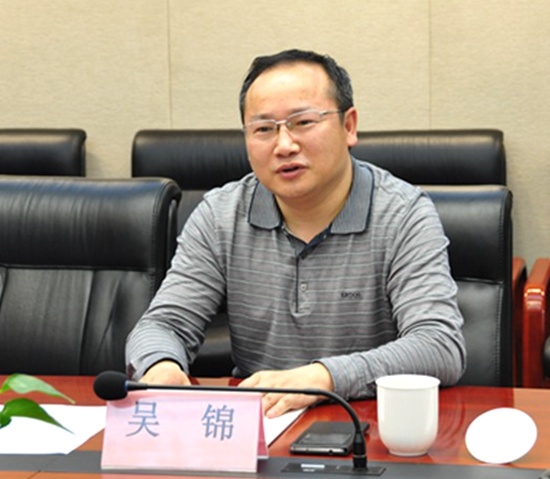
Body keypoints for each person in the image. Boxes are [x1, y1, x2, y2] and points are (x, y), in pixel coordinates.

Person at [126, 49, 466, 418]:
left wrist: (322, 378)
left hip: (366, 426)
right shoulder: (220, 215)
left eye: (303, 122)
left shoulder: (403, 213)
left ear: (349, 126)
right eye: (263, 129)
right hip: (260, 426)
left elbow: (439, 345)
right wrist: (160, 367)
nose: (284, 145)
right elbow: (162, 325)